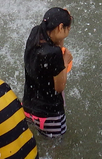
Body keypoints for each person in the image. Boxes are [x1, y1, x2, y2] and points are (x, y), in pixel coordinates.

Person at [22, 8, 74, 138]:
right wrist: (65, 62)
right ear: (60, 27)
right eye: (67, 29)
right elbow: (59, 87)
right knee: (58, 148)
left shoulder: (36, 32)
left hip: (28, 107)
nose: (68, 32)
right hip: (50, 115)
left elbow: (56, 43)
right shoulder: (54, 54)